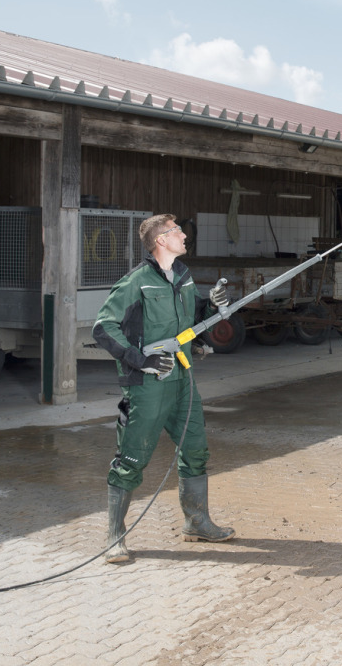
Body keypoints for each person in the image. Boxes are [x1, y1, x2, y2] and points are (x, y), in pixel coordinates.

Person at [93, 213, 235, 564]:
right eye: (177, 231)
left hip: (183, 380)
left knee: (196, 450)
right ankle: (115, 537)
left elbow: (192, 318)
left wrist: (212, 305)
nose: (184, 235)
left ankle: (197, 522)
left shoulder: (183, 277)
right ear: (160, 240)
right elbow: (104, 327)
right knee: (131, 459)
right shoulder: (136, 282)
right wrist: (139, 360)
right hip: (148, 386)